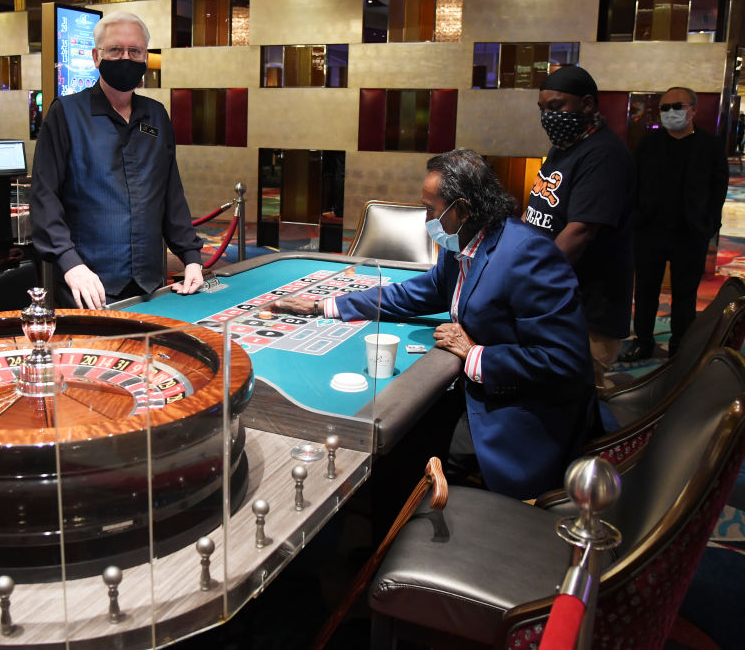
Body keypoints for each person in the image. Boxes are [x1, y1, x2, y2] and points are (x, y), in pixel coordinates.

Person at [276, 149, 597, 500]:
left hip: (522, 414)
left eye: (430, 209)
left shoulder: (527, 255)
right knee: (407, 433)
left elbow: (565, 360)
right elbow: (417, 293)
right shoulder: (463, 241)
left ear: (460, 207)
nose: (426, 218)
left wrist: (475, 355)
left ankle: (401, 538)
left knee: (408, 448)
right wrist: (326, 305)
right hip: (477, 392)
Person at [31, 11, 203, 309]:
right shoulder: (66, 114)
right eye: (115, 50)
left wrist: (191, 258)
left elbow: (171, 195)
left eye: (134, 51)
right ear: (96, 57)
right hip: (88, 288)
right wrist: (71, 265)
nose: (126, 57)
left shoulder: (157, 115)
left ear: (145, 58)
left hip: (151, 285)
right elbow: (45, 197)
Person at [523, 65, 635, 388]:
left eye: (557, 107)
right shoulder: (564, 147)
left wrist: (524, 276)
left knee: (577, 404)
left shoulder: (604, 155)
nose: (548, 116)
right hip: (558, 302)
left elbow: (579, 232)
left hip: (589, 312)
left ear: (586, 104)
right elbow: (543, 209)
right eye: (543, 109)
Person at [620, 87, 729, 360]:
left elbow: (719, 188)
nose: (669, 112)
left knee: (685, 293)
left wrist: (709, 223)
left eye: (676, 106)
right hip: (649, 231)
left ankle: (681, 346)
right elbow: (633, 184)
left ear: (693, 109)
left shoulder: (711, 146)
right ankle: (643, 341)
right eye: (664, 108)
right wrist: (636, 217)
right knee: (645, 291)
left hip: (690, 232)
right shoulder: (648, 144)